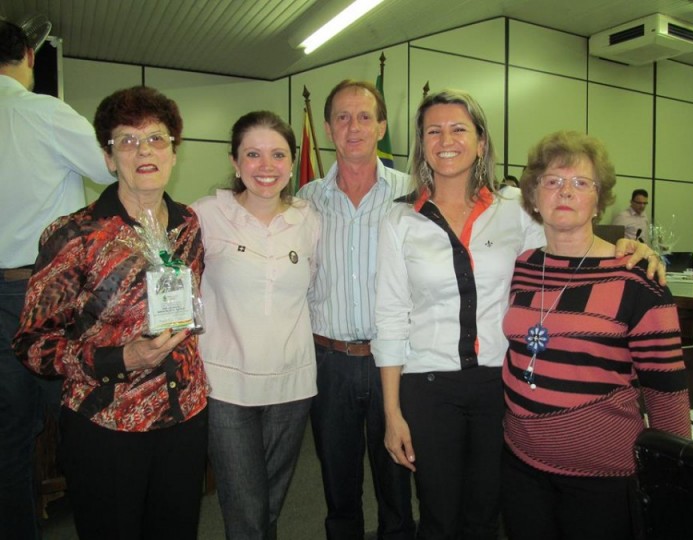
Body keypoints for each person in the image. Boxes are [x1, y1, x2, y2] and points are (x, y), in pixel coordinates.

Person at [371, 90, 664, 540]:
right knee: (437, 515)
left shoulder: (514, 212)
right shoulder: (399, 221)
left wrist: (631, 246)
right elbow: (390, 317)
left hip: (498, 386)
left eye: (459, 129)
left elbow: (570, 236)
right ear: (422, 143)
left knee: (487, 514)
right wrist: (391, 412)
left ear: (481, 141)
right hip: (427, 387)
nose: (446, 139)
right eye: (434, 130)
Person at [12, 86, 209, 540]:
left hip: (184, 416)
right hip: (108, 424)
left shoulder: (188, 225)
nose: (144, 150)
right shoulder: (74, 235)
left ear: (174, 153)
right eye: (127, 140)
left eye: (157, 138)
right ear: (107, 157)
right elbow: (32, 345)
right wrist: (122, 358)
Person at [502, 130, 691, 540]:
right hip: (520, 465)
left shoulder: (638, 279)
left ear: (598, 199)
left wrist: (675, 482)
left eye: (580, 183)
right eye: (552, 181)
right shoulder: (523, 265)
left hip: (603, 477)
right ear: (533, 196)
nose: (565, 191)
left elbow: (667, 393)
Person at [0, 19, 115, 539]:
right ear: (29, 53)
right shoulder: (42, 111)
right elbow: (115, 166)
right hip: (50, 296)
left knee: (9, 439)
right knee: (83, 424)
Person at [192, 111, 320, 540]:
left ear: (291, 160)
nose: (266, 166)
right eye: (253, 154)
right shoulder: (205, 215)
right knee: (245, 509)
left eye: (278, 154)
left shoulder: (310, 220)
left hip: (292, 384)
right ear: (234, 161)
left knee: (269, 506)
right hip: (226, 385)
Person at [297, 80, 416, 540]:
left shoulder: (414, 196)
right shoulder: (304, 201)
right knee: (338, 491)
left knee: (397, 488)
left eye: (365, 117)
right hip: (329, 365)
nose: (354, 127)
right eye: (343, 117)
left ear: (382, 126)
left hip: (397, 363)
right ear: (327, 128)